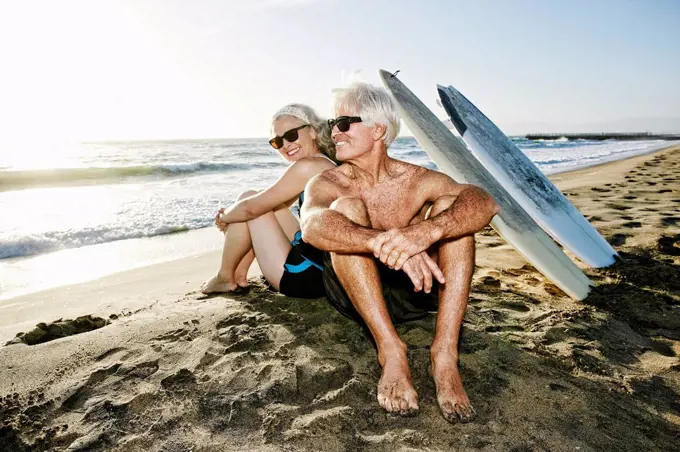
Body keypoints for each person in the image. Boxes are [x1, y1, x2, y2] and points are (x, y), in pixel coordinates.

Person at [299, 83, 500, 423]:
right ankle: (391, 351)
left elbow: (485, 202)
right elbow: (313, 226)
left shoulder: (415, 178)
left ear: (379, 129)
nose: (335, 132)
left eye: (345, 122)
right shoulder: (327, 183)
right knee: (345, 210)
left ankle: (445, 355)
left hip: (416, 292)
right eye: (333, 124)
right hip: (354, 294)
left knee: (453, 210)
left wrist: (424, 233)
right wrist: (388, 243)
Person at [201, 104, 336, 298]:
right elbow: (271, 202)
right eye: (277, 141)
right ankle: (237, 275)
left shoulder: (308, 166)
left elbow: (250, 209)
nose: (286, 145)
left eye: (291, 135)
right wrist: (234, 213)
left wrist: (225, 217)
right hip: (324, 265)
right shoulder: (325, 161)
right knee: (256, 202)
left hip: (308, 277)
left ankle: (225, 276)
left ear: (313, 132)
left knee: (249, 202)